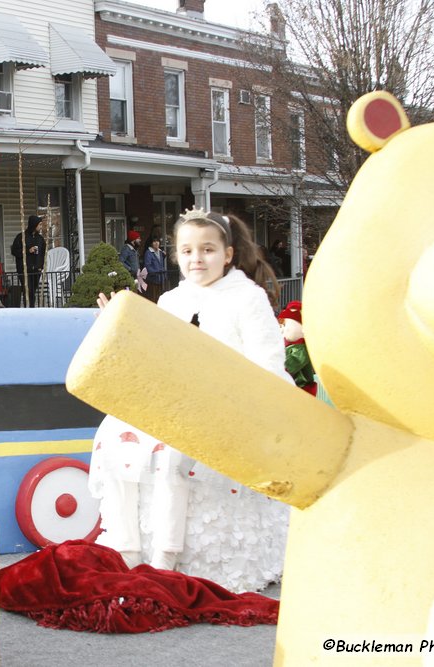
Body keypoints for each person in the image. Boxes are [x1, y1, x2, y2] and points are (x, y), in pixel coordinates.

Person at [88, 208, 292, 593]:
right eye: (186, 251)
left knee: (172, 455)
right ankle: (126, 546)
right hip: (178, 400)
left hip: (234, 403)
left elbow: (267, 362)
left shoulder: (247, 298)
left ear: (228, 254)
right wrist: (120, 326)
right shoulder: (171, 300)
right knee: (113, 435)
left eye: (207, 250)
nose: (196, 259)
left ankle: (166, 554)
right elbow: (156, 359)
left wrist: (227, 393)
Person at [10, 215, 46, 307]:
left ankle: (32, 308)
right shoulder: (21, 237)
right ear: (34, 225)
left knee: (33, 291)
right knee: (27, 290)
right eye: (39, 225)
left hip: (36, 270)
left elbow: (43, 254)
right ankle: (27, 309)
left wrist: (40, 267)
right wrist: (27, 251)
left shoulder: (40, 239)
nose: (41, 227)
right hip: (24, 269)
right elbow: (14, 251)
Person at [142, 235, 166, 303]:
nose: (156, 243)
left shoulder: (160, 252)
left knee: (160, 296)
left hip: (160, 278)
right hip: (152, 278)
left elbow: (159, 263)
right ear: (151, 243)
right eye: (154, 242)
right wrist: (156, 272)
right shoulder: (148, 253)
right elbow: (147, 266)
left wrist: (164, 256)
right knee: (153, 297)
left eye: (157, 241)